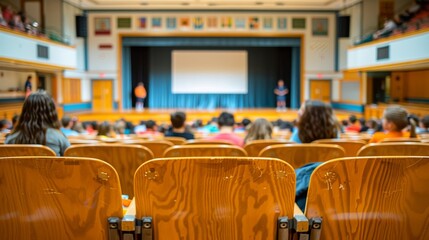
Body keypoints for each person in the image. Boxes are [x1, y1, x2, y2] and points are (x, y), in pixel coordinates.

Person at [5, 91, 70, 156]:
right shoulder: (58, 137)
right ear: (51, 113)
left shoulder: (11, 139)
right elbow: (71, 161)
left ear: (25, 111)